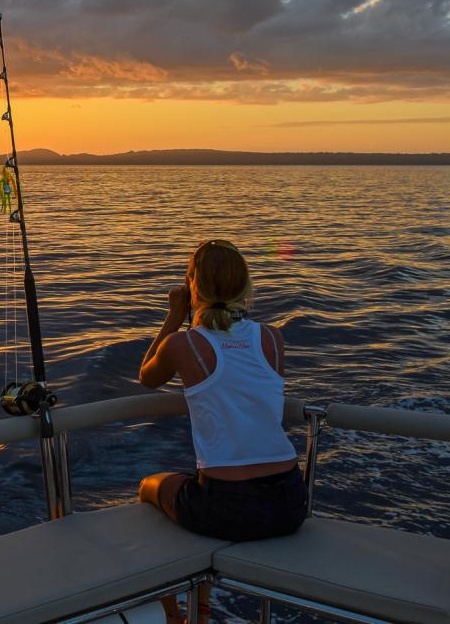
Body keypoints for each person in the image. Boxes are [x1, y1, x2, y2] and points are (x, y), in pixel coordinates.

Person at [136, 239, 306, 624]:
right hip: (291, 501)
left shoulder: (184, 344)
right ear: (246, 286)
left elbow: (147, 377)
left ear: (192, 284)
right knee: (195, 482)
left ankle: (176, 615)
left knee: (149, 487)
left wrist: (176, 315)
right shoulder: (273, 338)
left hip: (227, 508)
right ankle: (203, 607)